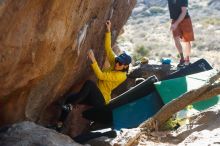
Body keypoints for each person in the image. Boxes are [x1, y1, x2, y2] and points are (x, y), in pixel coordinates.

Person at [52, 20, 132, 131]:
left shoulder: (121, 76)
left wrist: (93, 60)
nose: (117, 63)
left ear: (125, 66)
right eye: (118, 60)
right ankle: (59, 125)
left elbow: (101, 76)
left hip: (101, 100)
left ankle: (71, 105)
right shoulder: (116, 63)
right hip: (93, 95)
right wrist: (108, 30)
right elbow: (108, 49)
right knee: (70, 98)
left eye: (120, 63)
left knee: (89, 84)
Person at [167, 0, 195, 67]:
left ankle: (187, 59)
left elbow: (184, 12)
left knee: (187, 41)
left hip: (185, 20)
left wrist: (176, 24)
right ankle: (182, 59)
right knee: (176, 39)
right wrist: (174, 23)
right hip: (174, 20)